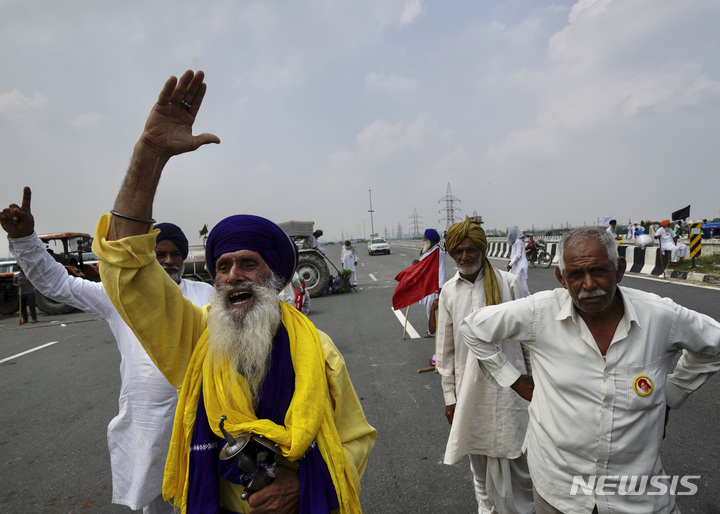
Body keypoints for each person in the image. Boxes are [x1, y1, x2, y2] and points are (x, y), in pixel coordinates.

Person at [91, 70, 375, 513]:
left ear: (275, 278)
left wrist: (301, 483)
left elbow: (355, 438)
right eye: (222, 266)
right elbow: (127, 272)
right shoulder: (197, 342)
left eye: (248, 263)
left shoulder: (318, 352)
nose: (232, 276)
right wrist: (149, 156)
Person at [459, 226, 720, 513]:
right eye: (575, 275)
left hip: (636, 497)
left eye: (598, 271)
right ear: (561, 278)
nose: (588, 285)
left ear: (619, 270)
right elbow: (472, 328)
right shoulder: (539, 313)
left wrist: (672, 393)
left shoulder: (660, 315)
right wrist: (513, 380)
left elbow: (713, 345)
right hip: (558, 491)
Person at [0, 190, 214, 514]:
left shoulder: (204, 292)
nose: (169, 261)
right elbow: (60, 285)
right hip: (150, 427)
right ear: (148, 258)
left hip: (205, 419)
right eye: (161, 254)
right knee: (158, 503)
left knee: (208, 497)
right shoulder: (120, 296)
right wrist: (27, 241)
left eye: (175, 255)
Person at [437, 216, 533, 514]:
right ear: (452, 254)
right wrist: (450, 398)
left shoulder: (510, 284)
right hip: (469, 393)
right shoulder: (449, 292)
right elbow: (445, 352)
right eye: (458, 252)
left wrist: (536, 383)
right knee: (478, 466)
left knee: (520, 464)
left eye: (470, 250)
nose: (464, 257)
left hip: (513, 391)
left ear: (482, 249)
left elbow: (530, 339)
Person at [415, 229, 446, 338]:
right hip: (426, 283)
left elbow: (441, 269)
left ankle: (433, 331)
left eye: (425, 238)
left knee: (431, 307)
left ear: (431, 240)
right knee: (428, 307)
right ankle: (433, 327)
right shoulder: (426, 251)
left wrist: (441, 286)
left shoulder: (438, 252)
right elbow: (423, 266)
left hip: (434, 284)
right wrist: (416, 264)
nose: (423, 240)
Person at [505, 226, 530, 297]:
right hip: (515, 265)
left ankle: (528, 297)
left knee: (522, 284)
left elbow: (518, 255)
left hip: (520, 265)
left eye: (508, 232)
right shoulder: (514, 241)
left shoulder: (518, 241)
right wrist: (510, 261)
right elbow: (513, 254)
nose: (507, 234)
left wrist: (511, 263)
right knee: (513, 281)